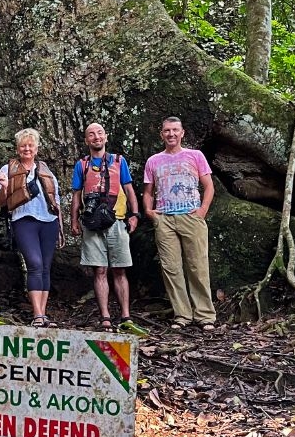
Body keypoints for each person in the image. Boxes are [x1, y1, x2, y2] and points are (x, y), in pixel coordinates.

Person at [143, 116, 217, 332]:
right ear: (162, 134)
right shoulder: (153, 161)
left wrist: (202, 210)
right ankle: (182, 314)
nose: (171, 134)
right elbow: (148, 192)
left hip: (191, 217)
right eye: (167, 130)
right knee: (171, 268)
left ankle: (205, 315)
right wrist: (150, 212)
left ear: (182, 133)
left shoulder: (195, 156)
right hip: (164, 219)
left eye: (175, 130)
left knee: (197, 266)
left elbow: (209, 186)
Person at [70, 122, 140, 330]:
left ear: (106, 137)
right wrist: (74, 220)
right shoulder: (81, 165)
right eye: (91, 135)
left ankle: (126, 316)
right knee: (99, 270)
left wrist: (134, 214)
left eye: (99, 133)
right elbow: (76, 194)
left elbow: (128, 188)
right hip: (92, 223)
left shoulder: (119, 161)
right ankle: (105, 316)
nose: (96, 137)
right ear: (86, 140)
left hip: (116, 220)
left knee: (119, 270)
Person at [0, 128, 64, 328]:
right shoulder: (7, 169)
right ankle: (37, 315)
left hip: (48, 221)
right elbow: (0, 201)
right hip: (24, 220)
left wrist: (60, 226)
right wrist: (5, 188)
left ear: (36, 148)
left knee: (45, 267)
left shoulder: (45, 170)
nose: (27, 149)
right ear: (17, 149)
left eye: (30, 145)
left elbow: (56, 199)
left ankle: (43, 314)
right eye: (23, 145)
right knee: (34, 264)